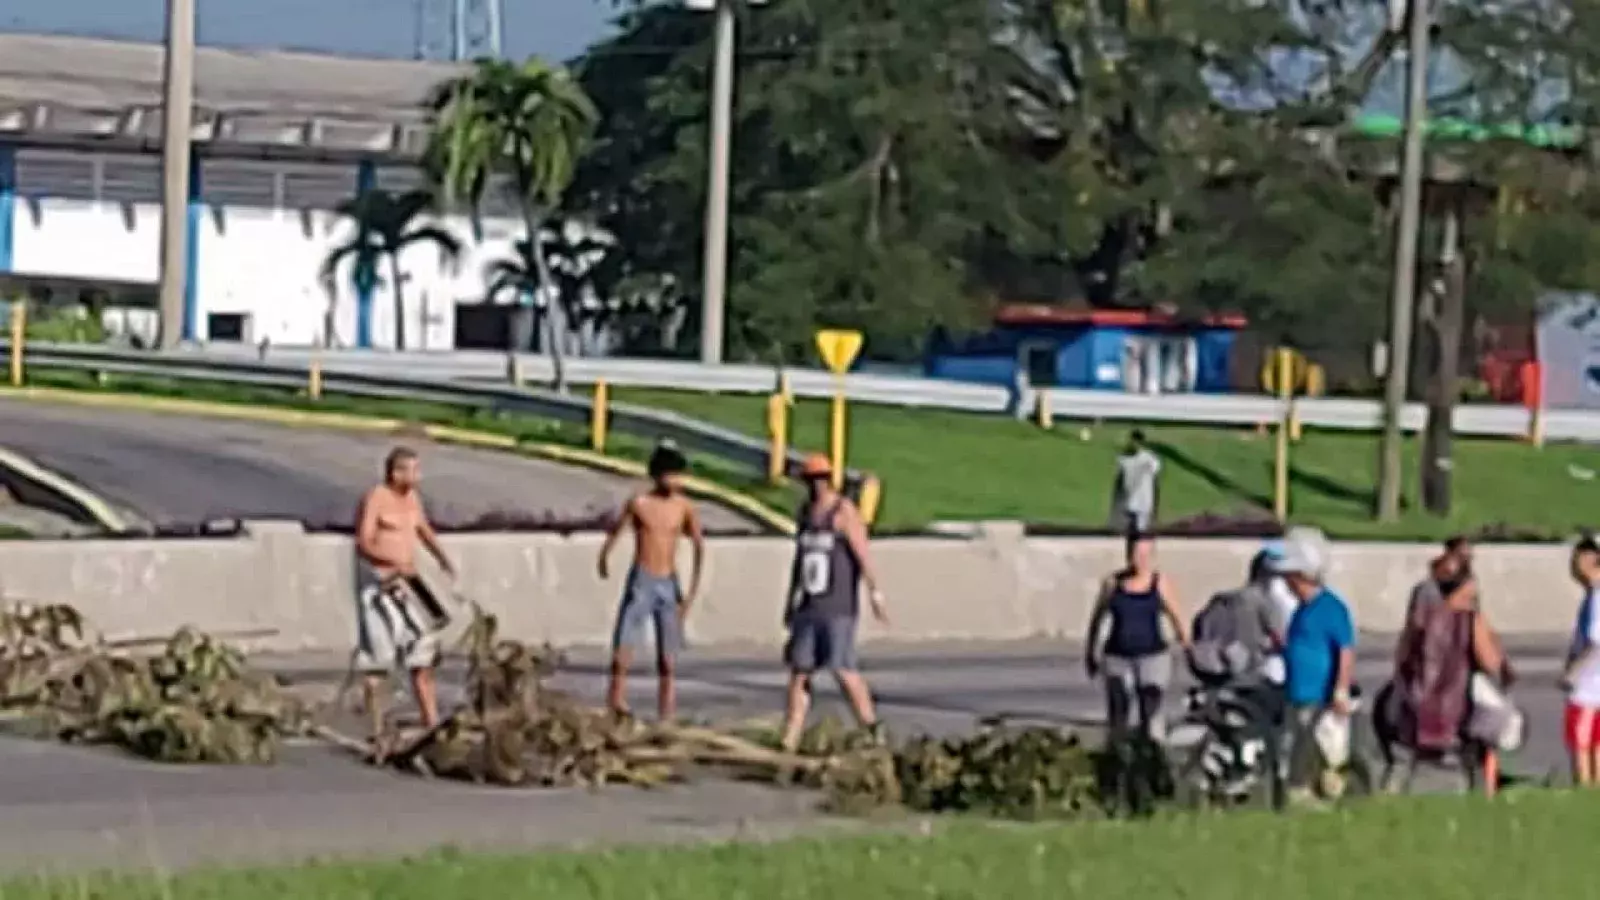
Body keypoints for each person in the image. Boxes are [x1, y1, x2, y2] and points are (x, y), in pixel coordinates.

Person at [778, 453, 889, 752]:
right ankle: (791, 734)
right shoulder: (805, 514)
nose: (816, 486)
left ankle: (870, 727)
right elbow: (799, 561)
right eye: (811, 480)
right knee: (799, 671)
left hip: (837, 607)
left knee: (843, 669)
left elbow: (862, 554)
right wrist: (791, 600)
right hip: (809, 606)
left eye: (821, 480)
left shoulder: (843, 512)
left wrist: (875, 594)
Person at [352, 446, 457, 742]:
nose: (416, 476)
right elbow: (363, 542)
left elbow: (423, 529)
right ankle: (377, 729)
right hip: (380, 585)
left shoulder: (412, 499)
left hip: (410, 581)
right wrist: (387, 562)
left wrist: (442, 558)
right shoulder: (376, 498)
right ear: (395, 472)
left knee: (424, 646)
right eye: (410, 470)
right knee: (379, 658)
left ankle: (431, 721)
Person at [596, 442, 706, 722]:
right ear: (657, 475)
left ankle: (666, 715)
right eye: (671, 474)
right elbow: (617, 531)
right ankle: (616, 702)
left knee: (668, 658)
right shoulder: (640, 504)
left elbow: (698, 548)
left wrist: (690, 594)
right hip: (642, 580)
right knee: (623, 648)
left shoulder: (684, 508)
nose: (676, 481)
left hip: (668, 583)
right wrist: (605, 557)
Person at [1382, 567, 1511, 795]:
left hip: (1414, 710)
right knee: (1485, 742)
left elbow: (1401, 658)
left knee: (1401, 763)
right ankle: (1483, 797)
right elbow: (1490, 662)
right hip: (1455, 711)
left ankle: (1389, 798)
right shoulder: (1470, 620)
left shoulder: (1421, 620)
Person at [1274, 526, 1356, 804]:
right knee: (1295, 752)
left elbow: (1345, 649)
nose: (1285, 582)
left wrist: (1340, 689)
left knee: (1320, 755)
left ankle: (1320, 799)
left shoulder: (1332, 608)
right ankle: (1300, 797)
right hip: (1296, 696)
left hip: (1318, 698)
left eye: (1288, 577)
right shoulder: (1301, 610)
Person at [1085, 531, 1188, 742]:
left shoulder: (1159, 583)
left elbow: (1177, 618)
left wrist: (1189, 648)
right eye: (1135, 554)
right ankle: (1117, 762)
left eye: (1144, 555)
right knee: (1118, 716)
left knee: (1151, 714)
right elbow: (1097, 618)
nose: (1139, 560)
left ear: (1152, 556)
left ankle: (1152, 761)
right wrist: (1090, 652)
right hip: (1117, 657)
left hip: (1152, 657)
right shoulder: (1113, 583)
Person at [1188, 548, 1288, 686]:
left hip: (1213, 666)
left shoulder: (1223, 599)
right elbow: (1281, 640)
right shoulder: (1267, 602)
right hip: (1250, 673)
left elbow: (1198, 626)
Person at [1561, 535, 1600, 786]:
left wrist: (1572, 673)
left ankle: (1585, 793)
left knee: (1582, 746)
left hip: (1589, 687)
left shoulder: (1597, 596)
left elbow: (1596, 641)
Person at [1109, 430, 1162, 534]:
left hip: (1144, 502)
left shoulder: (1150, 459)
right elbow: (1120, 480)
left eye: (1135, 442)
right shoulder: (1123, 458)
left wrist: (1155, 506)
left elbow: (1156, 481)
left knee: (1140, 533)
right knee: (1130, 532)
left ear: (1141, 443)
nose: (1133, 444)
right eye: (1131, 441)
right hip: (1129, 501)